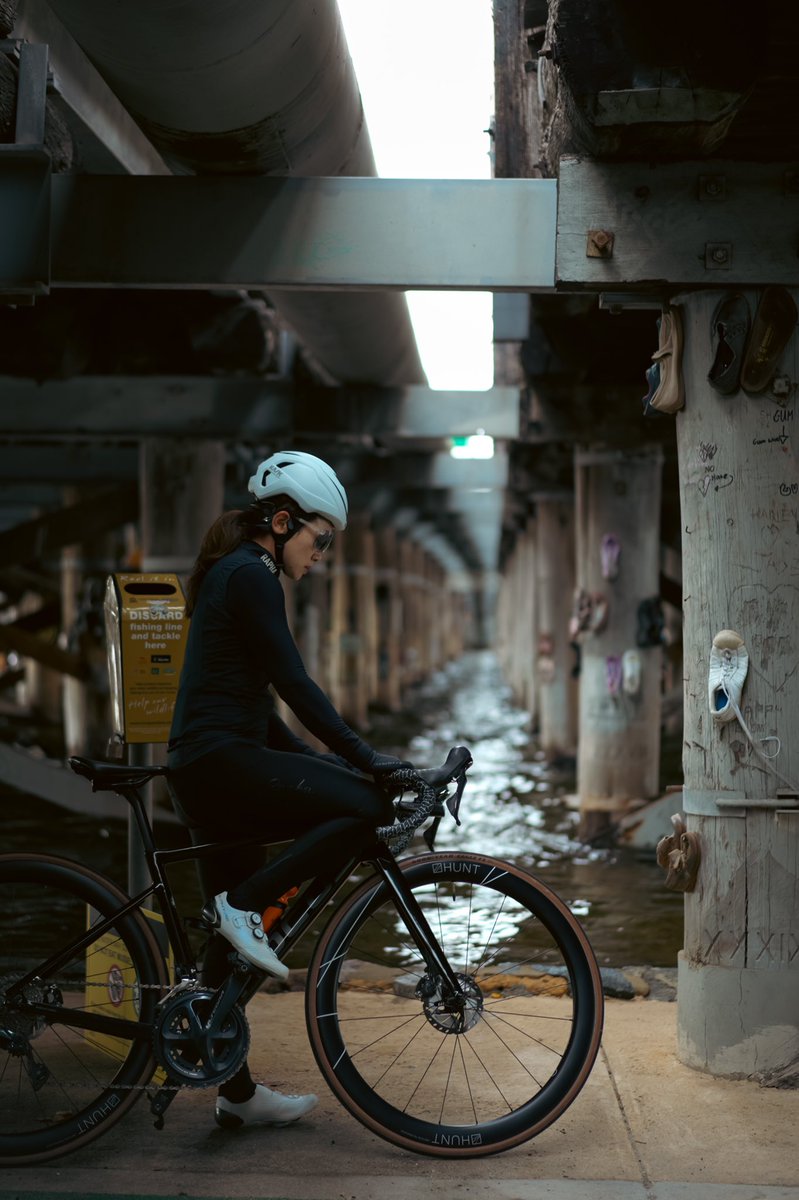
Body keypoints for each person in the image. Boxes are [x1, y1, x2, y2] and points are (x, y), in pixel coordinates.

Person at [167, 450, 411, 1130]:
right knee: (364, 807)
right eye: (319, 540)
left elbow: (255, 705)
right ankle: (243, 905)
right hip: (221, 767)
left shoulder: (237, 574)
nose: (322, 555)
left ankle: (234, 1092)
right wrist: (366, 761)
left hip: (210, 764)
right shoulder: (252, 576)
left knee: (224, 954)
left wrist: (319, 760)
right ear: (280, 522)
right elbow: (292, 681)